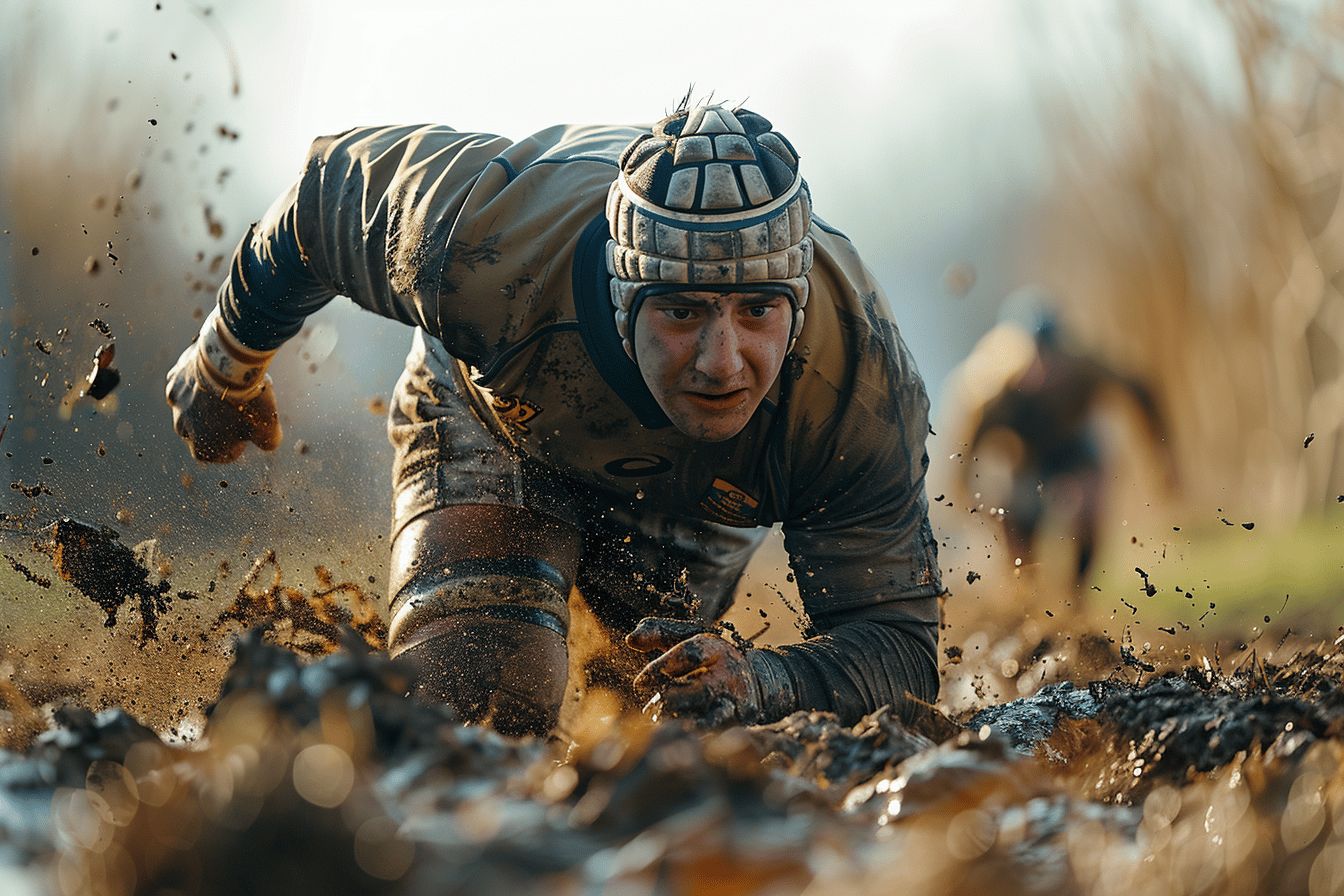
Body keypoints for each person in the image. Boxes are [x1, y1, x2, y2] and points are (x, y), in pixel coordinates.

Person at [165, 102, 943, 736]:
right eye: (681, 311)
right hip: (497, 423)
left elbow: (898, 650)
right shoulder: (490, 237)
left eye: (757, 312)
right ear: (622, 295)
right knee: (480, 700)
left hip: (693, 504)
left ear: (796, 305)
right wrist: (227, 361)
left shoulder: (857, 390)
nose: (721, 362)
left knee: (653, 720)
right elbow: (326, 194)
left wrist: (764, 679)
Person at [956, 305, 1176, 595]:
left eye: (1051, 357)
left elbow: (1140, 391)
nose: (1043, 370)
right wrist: (964, 492)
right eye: (1034, 359)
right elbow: (967, 446)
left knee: (1090, 498)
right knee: (1013, 511)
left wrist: (1163, 458)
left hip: (1075, 447)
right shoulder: (993, 389)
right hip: (1025, 459)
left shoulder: (1085, 368)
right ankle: (1024, 592)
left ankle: (1077, 593)